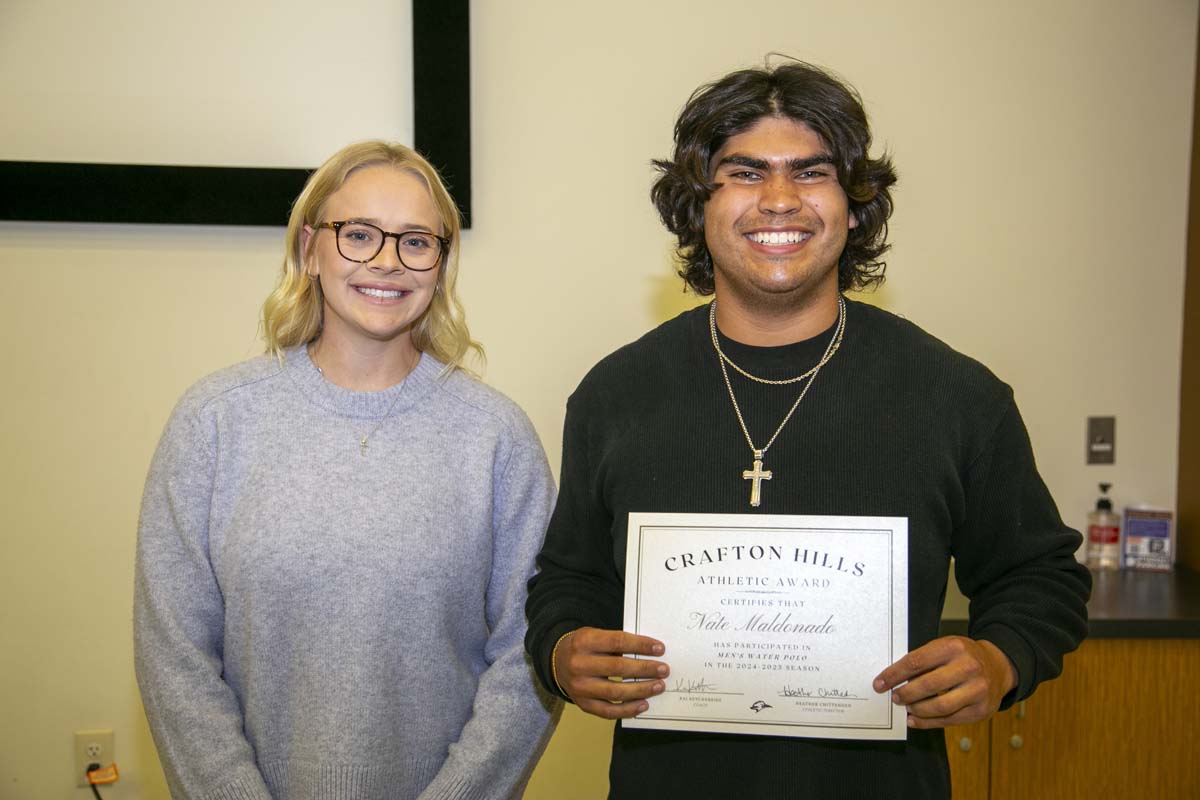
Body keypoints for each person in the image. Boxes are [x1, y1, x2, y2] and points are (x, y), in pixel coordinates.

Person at [524, 62, 1090, 798]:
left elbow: (1038, 576)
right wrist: (564, 649)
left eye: (812, 173)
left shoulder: (958, 396)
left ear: (855, 207)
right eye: (746, 173)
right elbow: (570, 579)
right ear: (698, 205)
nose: (781, 201)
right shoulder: (615, 393)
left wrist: (1002, 658)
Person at [135, 141, 557, 800]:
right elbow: (174, 656)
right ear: (310, 250)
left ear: (441, 264)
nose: (387, 260)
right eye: (358, 234)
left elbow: (527, 655)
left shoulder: (496, 438)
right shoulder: (215, 423)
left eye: (417, 241)